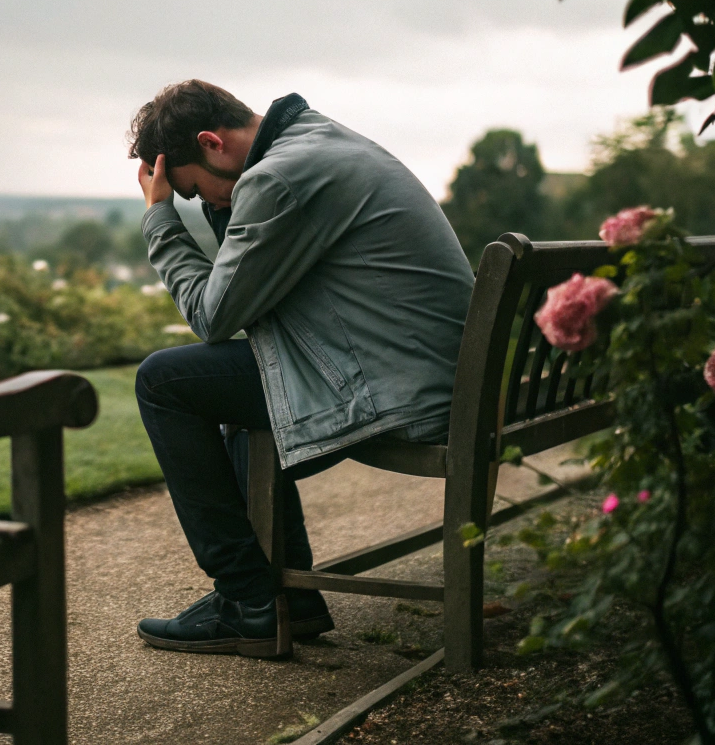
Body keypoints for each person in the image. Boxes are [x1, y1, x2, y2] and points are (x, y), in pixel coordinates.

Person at [129, 80, 474, 656]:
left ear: (213, 142)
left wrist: (162, 220)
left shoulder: (277, 178)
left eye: (196, 191)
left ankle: (249, 599)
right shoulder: (322, 143)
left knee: (164, 382)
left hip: (408, 393)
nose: (211, 205)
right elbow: (250, 308)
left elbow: (212, 315)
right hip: (438, 377)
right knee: (239, 379)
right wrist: (216, 210)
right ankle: (287, 600)